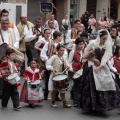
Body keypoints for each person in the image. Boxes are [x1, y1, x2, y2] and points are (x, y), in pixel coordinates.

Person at [77, 29, 120, 112]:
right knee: (92, 86)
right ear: (99, 37)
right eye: (103, 38)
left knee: (109, 82)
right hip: (90, 65)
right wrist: (94, 60)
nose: (105, 40)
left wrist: (100, 66)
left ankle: (107, 105)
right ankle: (91, 106)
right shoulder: (93, 43)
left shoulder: (107, 45)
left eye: (106, 39)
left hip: (102, 65)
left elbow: (105, 58)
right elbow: (85, 55)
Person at [40, 31, 67, 100]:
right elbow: (43, 53)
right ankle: (45, 94)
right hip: (50, 63)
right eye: (61, 36)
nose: (61, 38)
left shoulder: (61, 45)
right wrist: (47, 59)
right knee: (48, 78)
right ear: (58, 37)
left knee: (58, 79)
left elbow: (65, 54)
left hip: (58, 64)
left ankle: (56, 95)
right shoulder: (49, 43)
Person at [68, 38, 84, 106]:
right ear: (76, 45)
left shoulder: (84, 52)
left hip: (82, 70)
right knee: (77, 84)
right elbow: (69, 62)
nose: (81, 46)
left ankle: (73, 93)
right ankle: (76, 100)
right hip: (74, 69)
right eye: (80, 44)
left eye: (82, 44)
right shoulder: (72, 52)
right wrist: (71, 69)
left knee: (79, 84)